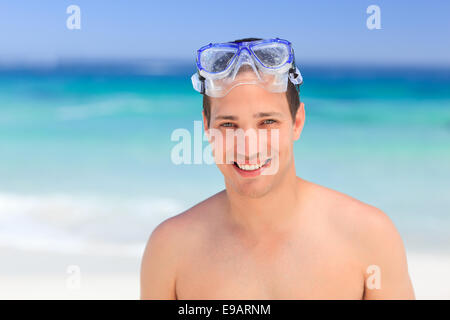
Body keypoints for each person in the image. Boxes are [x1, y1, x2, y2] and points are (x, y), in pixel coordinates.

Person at [140, 37, 415, 299]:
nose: (248, 147)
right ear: (207, 128)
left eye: (267, 122)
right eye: (228, 125)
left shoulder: (369, 237)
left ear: (297, 122)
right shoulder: (170, 250)